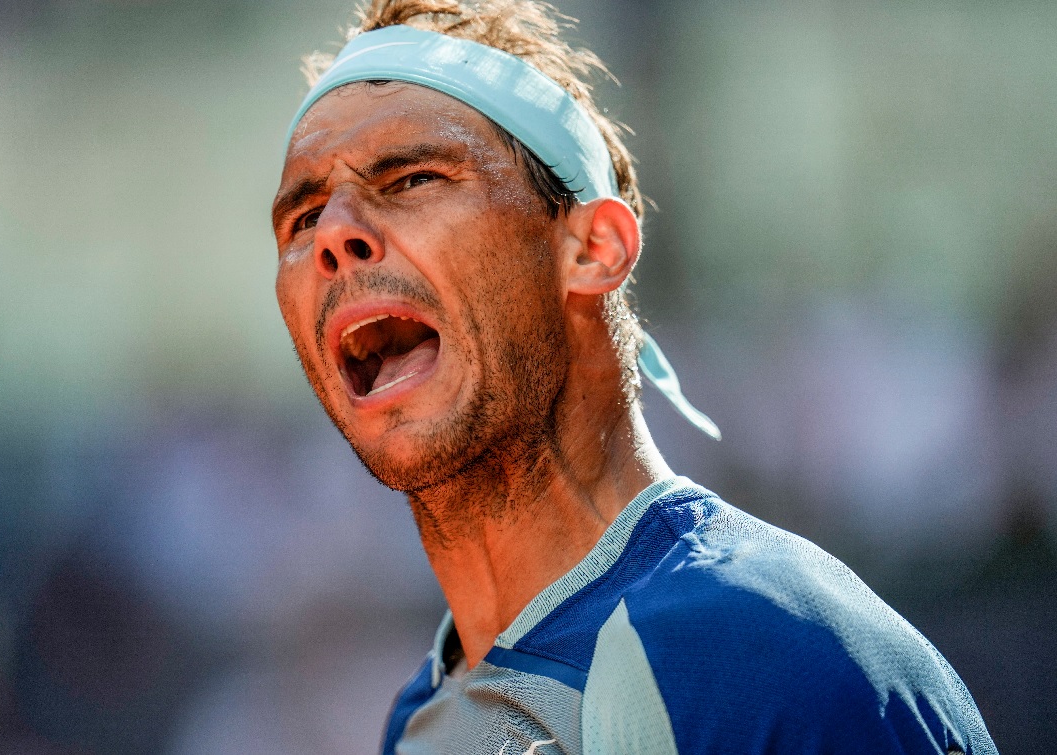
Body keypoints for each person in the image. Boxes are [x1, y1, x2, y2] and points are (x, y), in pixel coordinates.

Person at [271, 1, 997, 752]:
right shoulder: (419, 720)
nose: (333, 234)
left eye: (414, 177)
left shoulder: (770, 655)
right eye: (301, 218)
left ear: (595, 247)